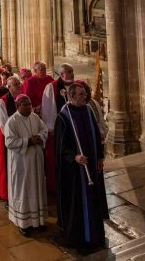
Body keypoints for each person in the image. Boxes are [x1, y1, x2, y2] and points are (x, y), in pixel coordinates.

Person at [54, 84, 108, 254]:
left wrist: (99, 157)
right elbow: (60, 147)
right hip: (76, 172)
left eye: (85, 94)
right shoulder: (63, 117)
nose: (84, 97)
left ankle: (96, 236)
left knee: (94, 200)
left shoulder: (88, 110)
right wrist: (75, 157)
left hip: (92, 166)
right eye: (81, 95)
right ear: (71, 96)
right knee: (79, 204)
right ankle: (81, 238)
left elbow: (97, 137)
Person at [4, 94, 48, 237]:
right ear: (18, 106)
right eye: (26, 105)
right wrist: (28, 141)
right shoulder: (12, 121)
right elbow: (9, 142)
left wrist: (40, 137)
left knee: (38, 188)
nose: (30, 107)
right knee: (23, 191)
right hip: (21, 164)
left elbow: (44, 130)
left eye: (30, 104)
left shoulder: (34, 117)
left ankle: (39, 220)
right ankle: (24, 223)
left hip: (35, 162)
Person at [41, 63, 82, 193]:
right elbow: (48, 108)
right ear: (62, 74)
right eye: (69, 72)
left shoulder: (77, 86)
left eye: (72, 71)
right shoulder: (51, 87)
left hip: (76, 128)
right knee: (60, 156)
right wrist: (51, 128)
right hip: (60, 129)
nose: (72, 74)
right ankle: (58, 186)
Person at [0, 76, 22, 202]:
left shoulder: (23, 98)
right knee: (8, 168)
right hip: (9, 139)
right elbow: (3, 123)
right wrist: (15, 137)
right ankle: (9, 196)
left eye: (19, 83)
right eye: (15, 84)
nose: (19, 86)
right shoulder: (3, 101)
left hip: (23, 139)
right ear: (9, 87)